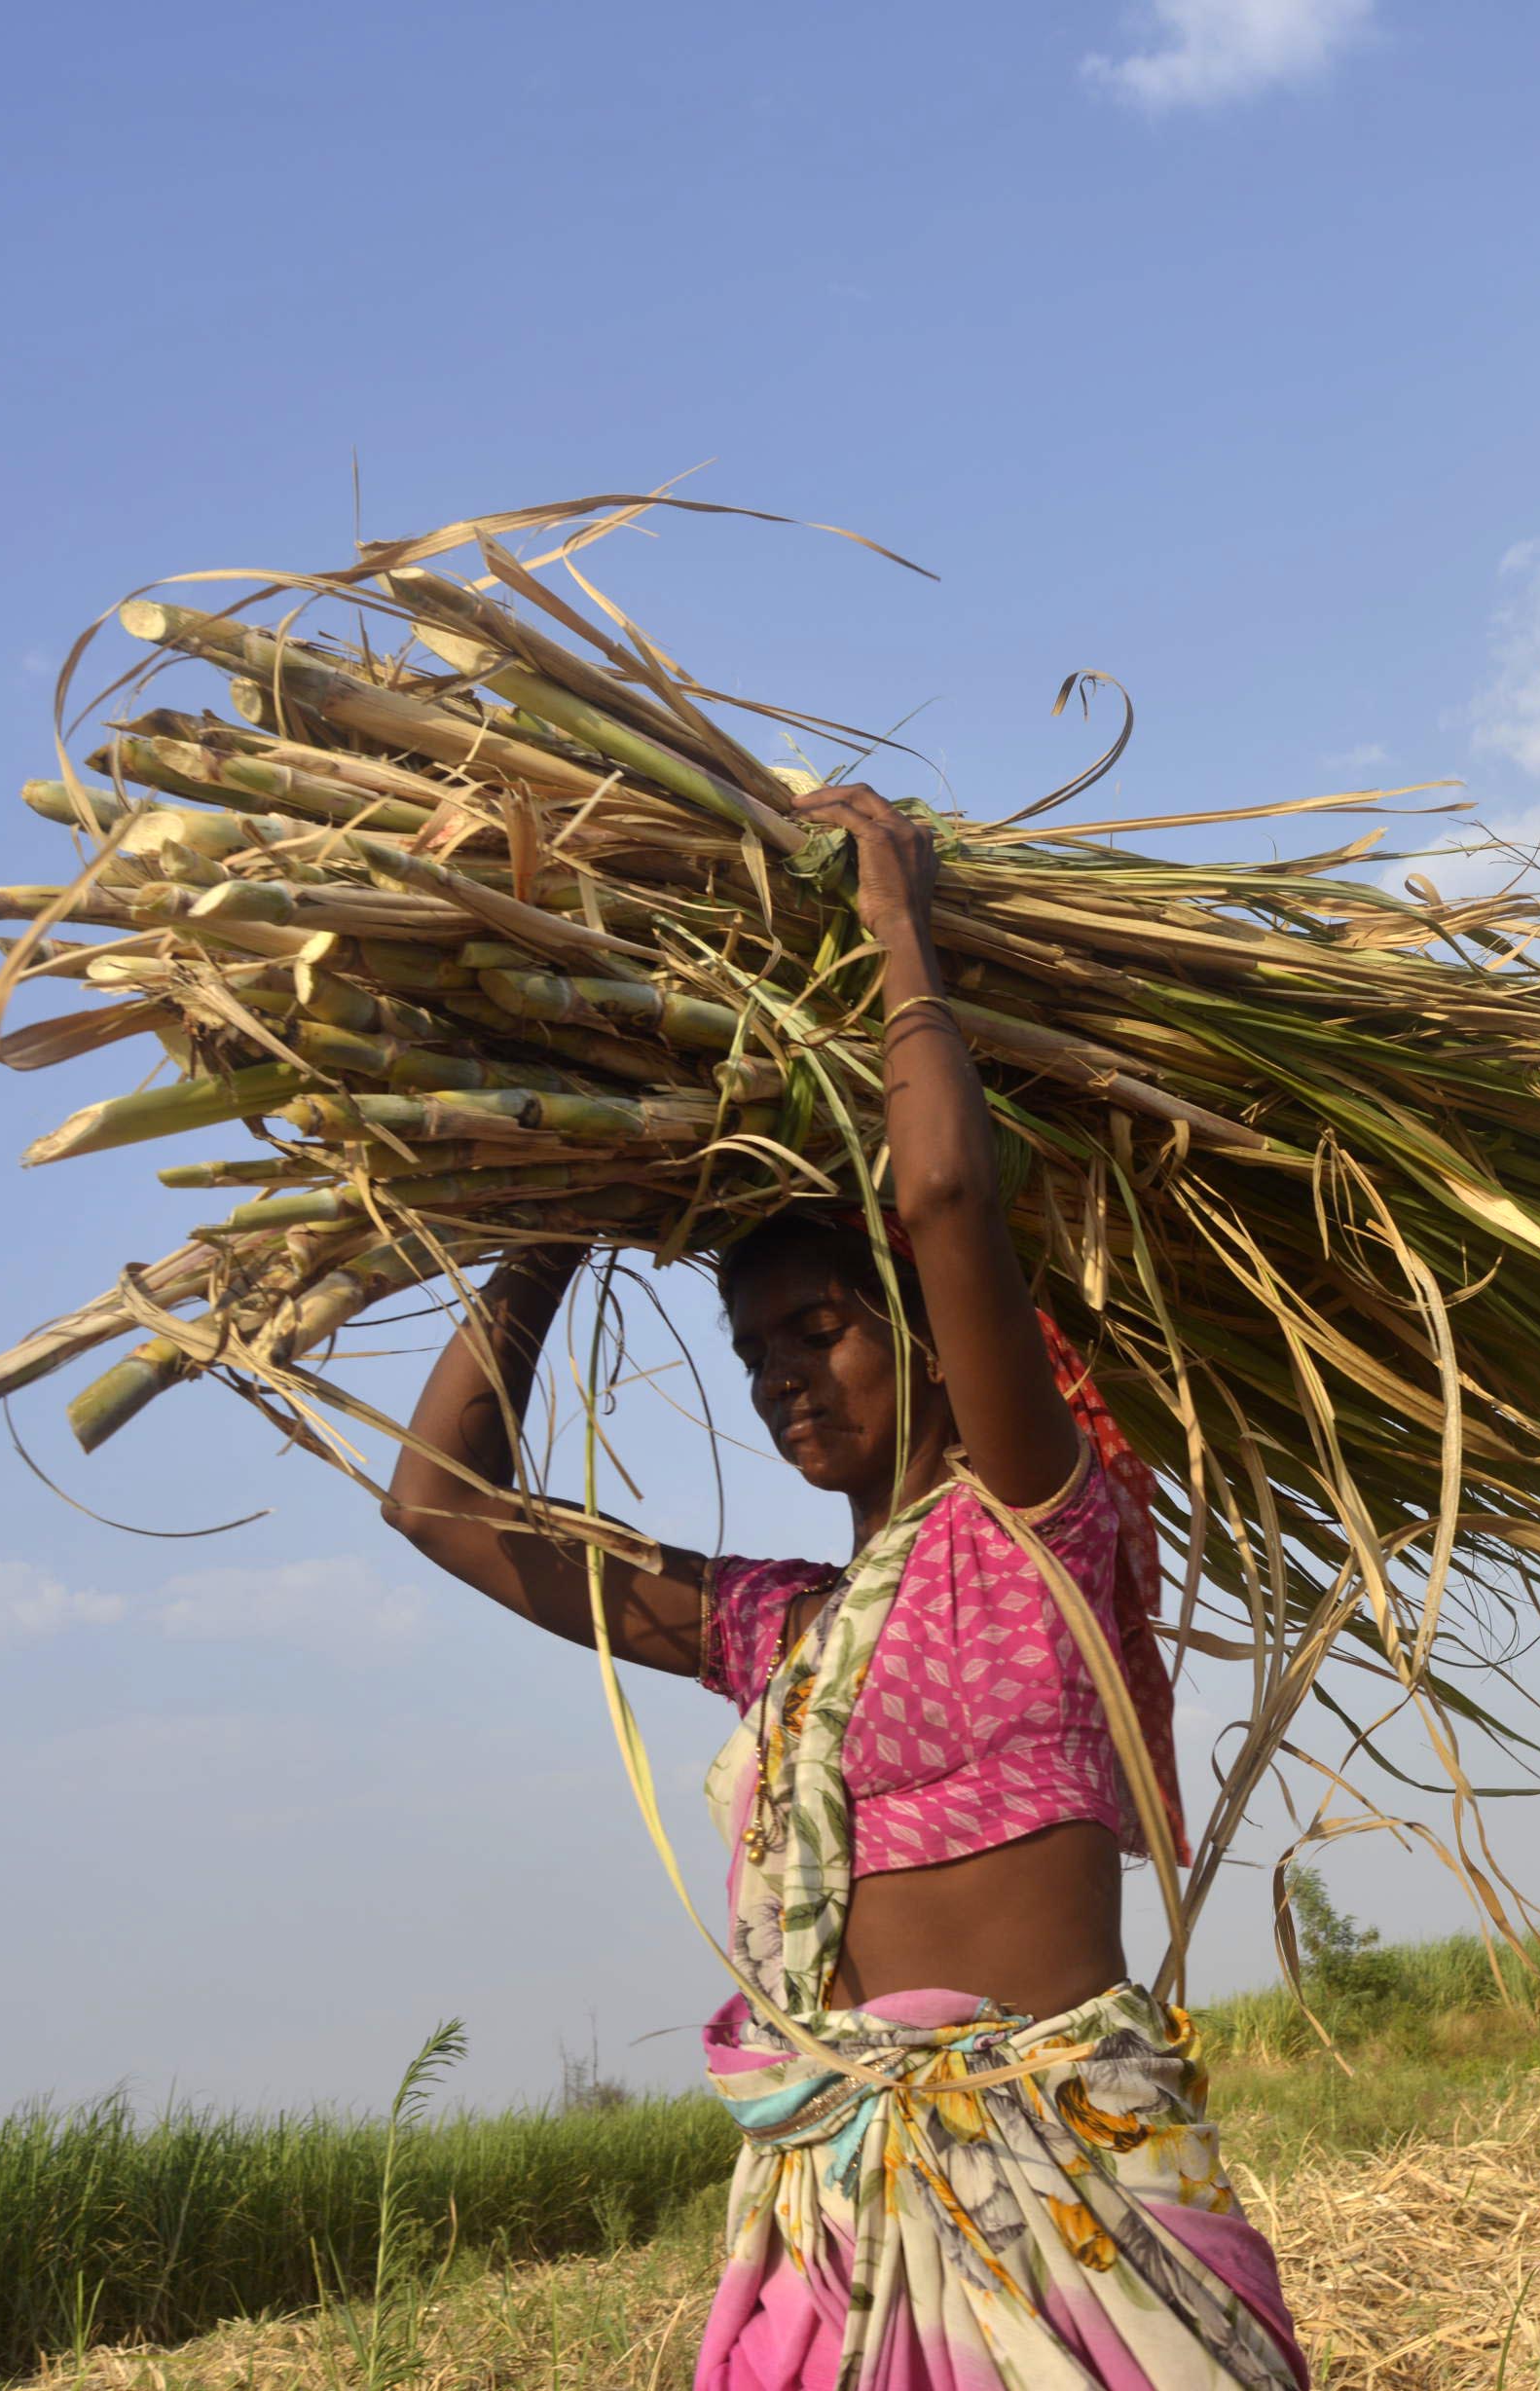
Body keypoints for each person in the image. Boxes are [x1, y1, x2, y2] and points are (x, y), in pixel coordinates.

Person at [382, 782, 1307, 2391]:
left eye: (819, 1333)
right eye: (756, 1357)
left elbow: (946, 1201)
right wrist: (552, 1229)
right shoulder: (780, 1631)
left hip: (1072, 2188)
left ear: (935, 1338)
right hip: (842, 2206)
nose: (781, 1383)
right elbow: (441, 1504)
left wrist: (902, 933)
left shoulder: (1042, 1523)